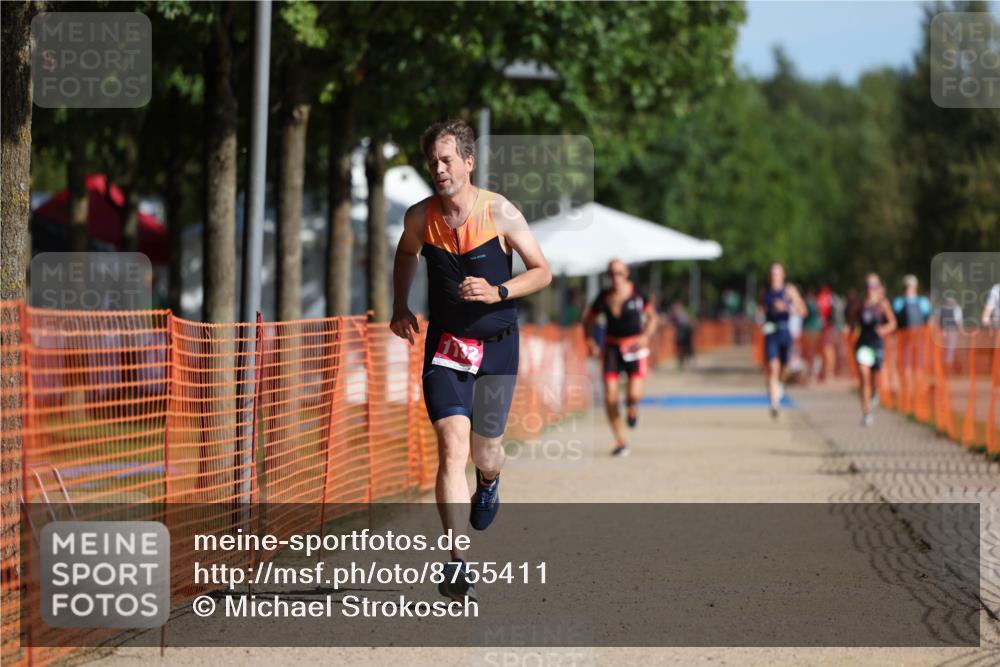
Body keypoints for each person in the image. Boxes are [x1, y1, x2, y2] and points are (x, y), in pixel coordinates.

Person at [390, 119, 552, 602]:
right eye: (432, 162)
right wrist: (400, 304)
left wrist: (497, 290)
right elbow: (405, 253)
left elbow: (542, 272)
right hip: (446, 346)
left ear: (468, 161)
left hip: (498, 344)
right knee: (450, 445)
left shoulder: (500, 212)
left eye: (447, 160)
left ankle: (491, 479)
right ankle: (457, 561)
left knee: (485, 451)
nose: (439, 169)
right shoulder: (420, 217)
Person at [581, 259, 657, 457]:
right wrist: (590, 341)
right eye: (612, 273)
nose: (616, 278)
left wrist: (646, 336)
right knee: (610, 397)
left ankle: (632, 406)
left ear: (627, 273)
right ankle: (620, 441)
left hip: (634, 347)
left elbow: (653, 317)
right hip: (612, 348)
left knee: (633, 394)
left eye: (620, 273)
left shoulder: (638, 293)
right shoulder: (603, 297)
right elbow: (588, 320)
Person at [759, 262, 807, 419]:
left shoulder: (789, 291)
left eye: (777, 273)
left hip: (785, 332)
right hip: (771, 333)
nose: (774, 277)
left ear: (783, 275)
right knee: (773, 367)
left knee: (784, 367)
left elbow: (803, 311)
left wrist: (786, 307)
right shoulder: (765, 292)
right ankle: (775, 404)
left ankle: (779, 384)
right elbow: (762, 310)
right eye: (772, 274)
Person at [852, 273, 897, 427]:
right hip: (863, 344)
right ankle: (867, 413)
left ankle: (875, 392)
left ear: (878, 287)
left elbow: (893, 323)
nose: (870, 289)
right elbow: (853, 319)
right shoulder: (861, 304)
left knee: (875, 375)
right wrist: (850, 327)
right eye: (867, 285)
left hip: (876, 343)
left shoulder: (883, 304)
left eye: (873, 285)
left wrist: (884, 329)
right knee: (864, 375)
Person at [669, 300, 693, 369]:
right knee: (680, 346)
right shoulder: (676, 315)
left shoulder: (684, 313)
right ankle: (681, 360)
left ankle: (685, 358)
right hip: (680, 332)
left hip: (685, 331)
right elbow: (672, 321)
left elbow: (689, 322)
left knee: (685, 346)